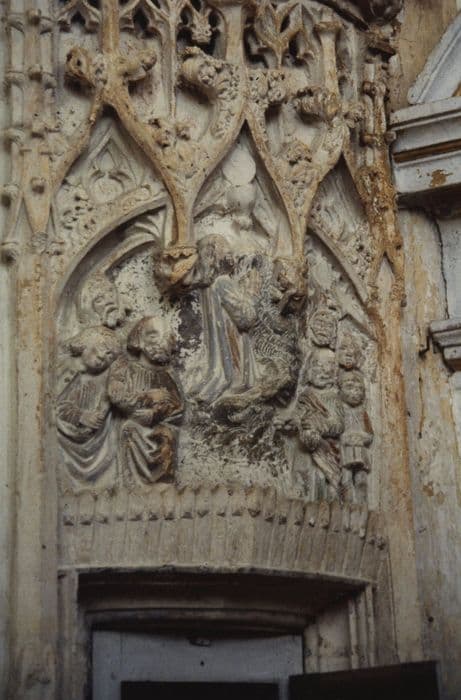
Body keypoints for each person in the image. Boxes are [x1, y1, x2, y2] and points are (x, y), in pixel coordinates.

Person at [108, 316, 183, 484]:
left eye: (166, 336)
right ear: (139, 339)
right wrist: (147, 397)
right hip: (133, 427)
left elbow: (177, 407)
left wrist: (154, 413)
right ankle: (133, 484)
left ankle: (162, 484)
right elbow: (117, 397)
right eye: (153, 335)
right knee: (130, 428)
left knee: (167, 435)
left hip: (160, 428)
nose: (161, 342)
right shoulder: (125, 369)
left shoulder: (167, 376)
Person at [57, 326, 122, 481]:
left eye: (110, 356)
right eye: (102, 347)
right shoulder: (62, 367)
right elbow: (52, 405)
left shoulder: (100, 382)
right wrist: (81, 416)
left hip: (90, 442)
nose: (103, 356)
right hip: (63, 434)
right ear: (85, 341)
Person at [338, 369, 373, 503]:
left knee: (361, 480)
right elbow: (335, 430)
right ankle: (348, 506)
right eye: (350, 388)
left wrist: (361, 437)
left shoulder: (363, 413)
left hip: (360, 451)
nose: (355, 393)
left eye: (359, 389)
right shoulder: (340, 410)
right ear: (341, 390)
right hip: (345, 451)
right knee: (346, 480)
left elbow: (370, 435)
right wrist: (344, 438)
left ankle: (362, 505)